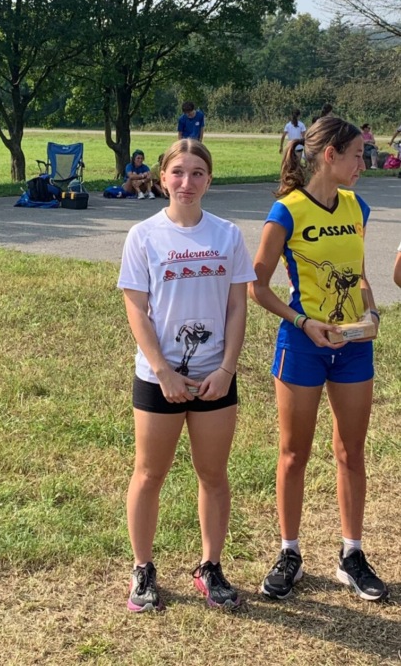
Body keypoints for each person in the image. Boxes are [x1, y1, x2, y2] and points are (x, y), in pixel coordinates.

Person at [249, 116, 388, 603]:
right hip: (303, 344)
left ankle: (352, 554)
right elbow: (257, 286)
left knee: (351, 451)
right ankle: (289, 553)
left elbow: (360, 274)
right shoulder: (286, 211)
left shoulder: (357, 206)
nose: (364, 164)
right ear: (330, 155)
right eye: (358, 155)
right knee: (294, 453)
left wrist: (370, 311)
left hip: (354, 346)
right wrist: (304, 322)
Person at [117, 138, 256, 612]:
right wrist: (163, 371)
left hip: (214, 376)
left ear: (209, 180)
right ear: (162, 178)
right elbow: (136, 309)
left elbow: (236, 307)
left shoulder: (228, 235)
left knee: (213, 474)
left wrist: (226, 368)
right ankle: (142, 568)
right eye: (178, 172)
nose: (187, 182)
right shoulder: (144, 236)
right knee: (149, 473)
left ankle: (210, 566)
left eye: (197, 173)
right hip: (159, 378)